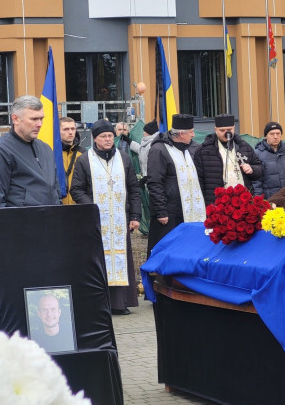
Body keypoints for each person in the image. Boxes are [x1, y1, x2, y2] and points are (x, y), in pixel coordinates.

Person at [70, 119, 141, 315]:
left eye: (110, 136)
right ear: (95, 139)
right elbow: (76, 190)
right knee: (98, 260)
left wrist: (135, 215)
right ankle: (99, 303)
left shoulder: (124, 158)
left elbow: (134, 189)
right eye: (103, 136)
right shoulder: (85, 160)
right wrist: (93, 207)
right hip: (96, 221)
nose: (108, 139)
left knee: (120, 258)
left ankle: (120, 303)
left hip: (120, 219)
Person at [0, 95, 61, 208]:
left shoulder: (46, 149)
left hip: (52, 217)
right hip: (21, 219)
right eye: (34, 119)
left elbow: (55, 190)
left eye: (41, 119)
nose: (39, 124)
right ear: (15, 119)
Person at [146, 114, 206, 257]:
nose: (193, 135)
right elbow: (155, 182)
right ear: (181, 134)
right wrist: (161, 211)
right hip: (169, 213)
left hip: (192, 211)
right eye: (191, 132)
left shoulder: (194, 148)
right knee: (167, 251)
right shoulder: (159, 150)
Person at [193, 114, 262, 205]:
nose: (227, 133)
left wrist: (252, 169)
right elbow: (198, 180)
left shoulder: (244, 146)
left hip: (243, 201)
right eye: (222, 130)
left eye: (229, 130)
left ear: (234, 128)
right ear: (216, 130)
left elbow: (259, 168)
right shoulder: (204, 150)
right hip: (217, 202)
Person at [252, 121, 285, 198]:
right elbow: (256, 181)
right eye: (272, 134)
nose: (275, 137)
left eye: (278, 133)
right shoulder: (257, 154)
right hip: (269, 200)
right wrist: (259, 200)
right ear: (266, 136)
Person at [60, 117, 86, 205]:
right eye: (66, 129)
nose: (70, 132)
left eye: (73, 129)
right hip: (57, 204)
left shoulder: (83, 153)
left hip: (78, 205)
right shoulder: (51, 153)